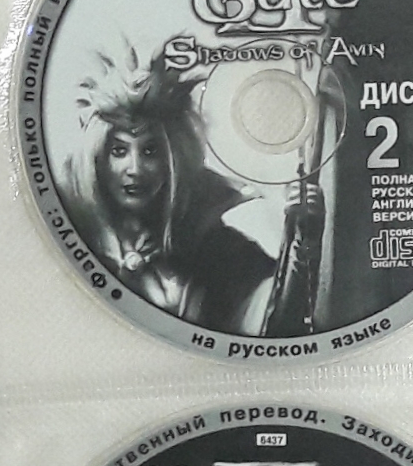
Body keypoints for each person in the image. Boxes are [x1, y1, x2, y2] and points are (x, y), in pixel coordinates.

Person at [58, 49, 329, 336]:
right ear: (98, 158)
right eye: (119, 151)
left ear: (173, 159)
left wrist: (302, 243)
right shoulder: (75, 235)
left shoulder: (221, 250)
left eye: (150, 151)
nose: (134, 169)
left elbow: (275, 322)